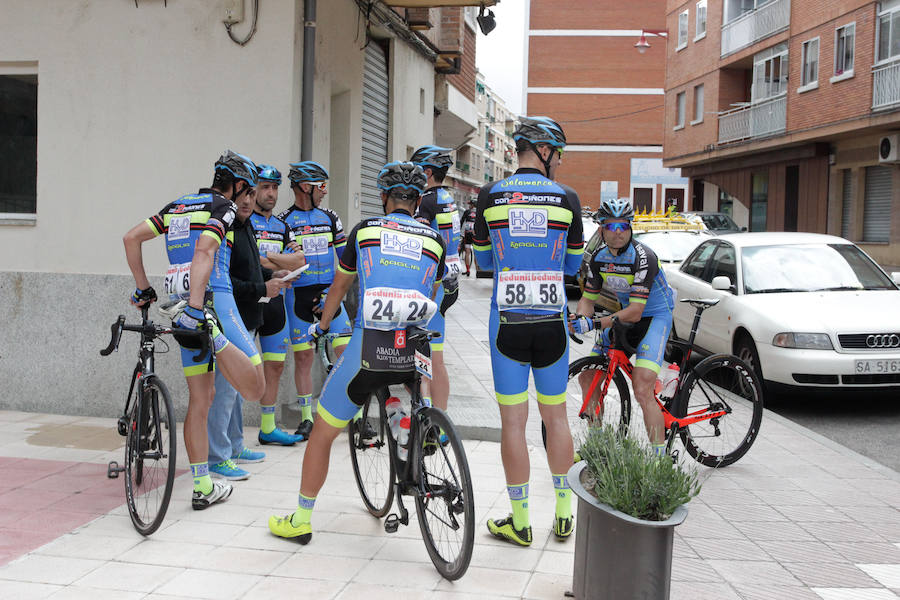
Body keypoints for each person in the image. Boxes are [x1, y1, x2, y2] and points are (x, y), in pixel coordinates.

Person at [268, 162, 445, 545]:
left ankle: (301, 519)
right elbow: (432, 291)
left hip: (368, 349)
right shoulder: (435, 239)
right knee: (408, 397)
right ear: (416, 202)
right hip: (413, 350)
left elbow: (340, 282)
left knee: (321, 434)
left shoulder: (364, 231)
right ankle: (413, 440)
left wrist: (325, 324)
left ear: (384, 197)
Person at [122, 150, 265, 509]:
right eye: (246, 191)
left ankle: (203, 485)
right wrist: (202, 311)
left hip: (179, 303)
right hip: (212, 300)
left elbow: (131, 238)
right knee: (256, 383)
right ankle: (215, 335)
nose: (247, 199)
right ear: (236, 185)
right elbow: (205, 251)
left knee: (201, 400)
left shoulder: (178, 206)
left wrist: (143, 289)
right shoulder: (223, 207)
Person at [473, 116, 583, 546]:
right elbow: (573, 267)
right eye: (557, 153)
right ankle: (563, 513)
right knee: (556, 417)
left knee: (513, 425)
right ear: (545, 151)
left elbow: (482, 261)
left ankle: (520, 522)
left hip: (507, 323)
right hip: (552, 323)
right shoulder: (567, 198)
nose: (558, 160)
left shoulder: (489, 194)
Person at [570, 196, 675, 455]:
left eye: (623, 227)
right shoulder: (598, 257)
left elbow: (637, 312)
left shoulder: (644, 257)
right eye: (611, 227)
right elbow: (587, 298)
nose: (618, 233)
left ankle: (659, 461)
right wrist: (582, 318)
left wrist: (594, 323)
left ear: (630, 228)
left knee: (642, 387)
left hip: (653, 318)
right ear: (602, 229)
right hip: (623, 316)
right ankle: (597, 445)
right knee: (588, 376)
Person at [277, 162, 353, 439]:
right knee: (304, 357)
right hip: (299, 296)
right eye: (321, 186)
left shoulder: (330, 217)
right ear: (305, 187)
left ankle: (354, 417)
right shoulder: (283, 221)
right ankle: (307, 418)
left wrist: (338, 293)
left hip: (330, 294)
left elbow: (347, 261)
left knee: (345, 354)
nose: (324, 192)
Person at [250, 164, 308, 446]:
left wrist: (269, 257)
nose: (270, 193)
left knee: (274, 366)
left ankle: (268, 427)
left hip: (276, 306)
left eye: (274, 188)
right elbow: (252, 263)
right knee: (245, 367)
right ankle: (230, 434)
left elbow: (299, 262)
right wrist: (276, 260)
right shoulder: (244, 222)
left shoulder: (283, 227)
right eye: (265, 187)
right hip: (249, 302)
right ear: (253, 189)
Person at [410, 145, 461, 411]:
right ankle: (437, 417)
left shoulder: (426, 201)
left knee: (431, 357)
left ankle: (435, 418)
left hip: (436, 283)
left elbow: (421, 242)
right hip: (451, 280)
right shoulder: (446, 196)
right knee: (433, 354)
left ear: (427, 172)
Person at [460, 200, 476, 276]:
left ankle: (468, 270)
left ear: (473, 205)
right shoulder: (479, 212)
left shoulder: (467, 212)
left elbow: (461, 222)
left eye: (470, 205)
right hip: (476, 234)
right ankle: (477, 271)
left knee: (467, 252)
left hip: (468, 234)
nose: (469, 206)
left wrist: (459, 232)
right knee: (476, 253)